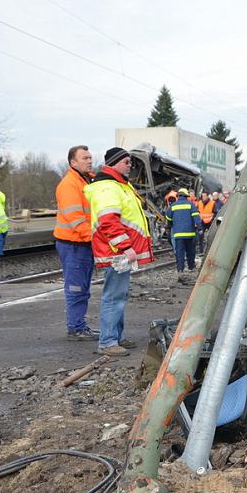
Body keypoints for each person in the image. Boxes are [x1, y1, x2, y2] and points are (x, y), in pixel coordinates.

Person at [84, 147, 154, 356]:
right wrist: (125, 246)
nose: (130, 165)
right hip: (116, 252)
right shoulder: (109, 187)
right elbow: (109, 220)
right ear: (114, 163)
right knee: (114, 296)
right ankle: (108, 342)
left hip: (117, 251)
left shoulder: (118, 185)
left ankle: (116, 337)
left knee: (118, 295)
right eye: (126, 162)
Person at [54, 145, 98, 341]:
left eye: (90, 157)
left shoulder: (82, 181)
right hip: (74, 244)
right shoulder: (70, 185)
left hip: (80, 244)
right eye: (85, 158)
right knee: (76, 288)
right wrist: (98, 239)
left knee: (81, 287)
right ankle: (76, 328)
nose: (89, 160)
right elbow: (77, 222)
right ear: (73, 162)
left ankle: (78, 325)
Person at [166, 187, 202, 272]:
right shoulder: (191, 205)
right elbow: (196, 217)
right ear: (186, 196)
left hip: (178, 235)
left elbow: (168, 217)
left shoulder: (173, 206)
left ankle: (180, 270)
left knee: (179, 253)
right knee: (191, 252)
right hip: (190, 234)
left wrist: (169, 226)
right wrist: (200, 228)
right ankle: (191, 267)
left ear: (178, 196)